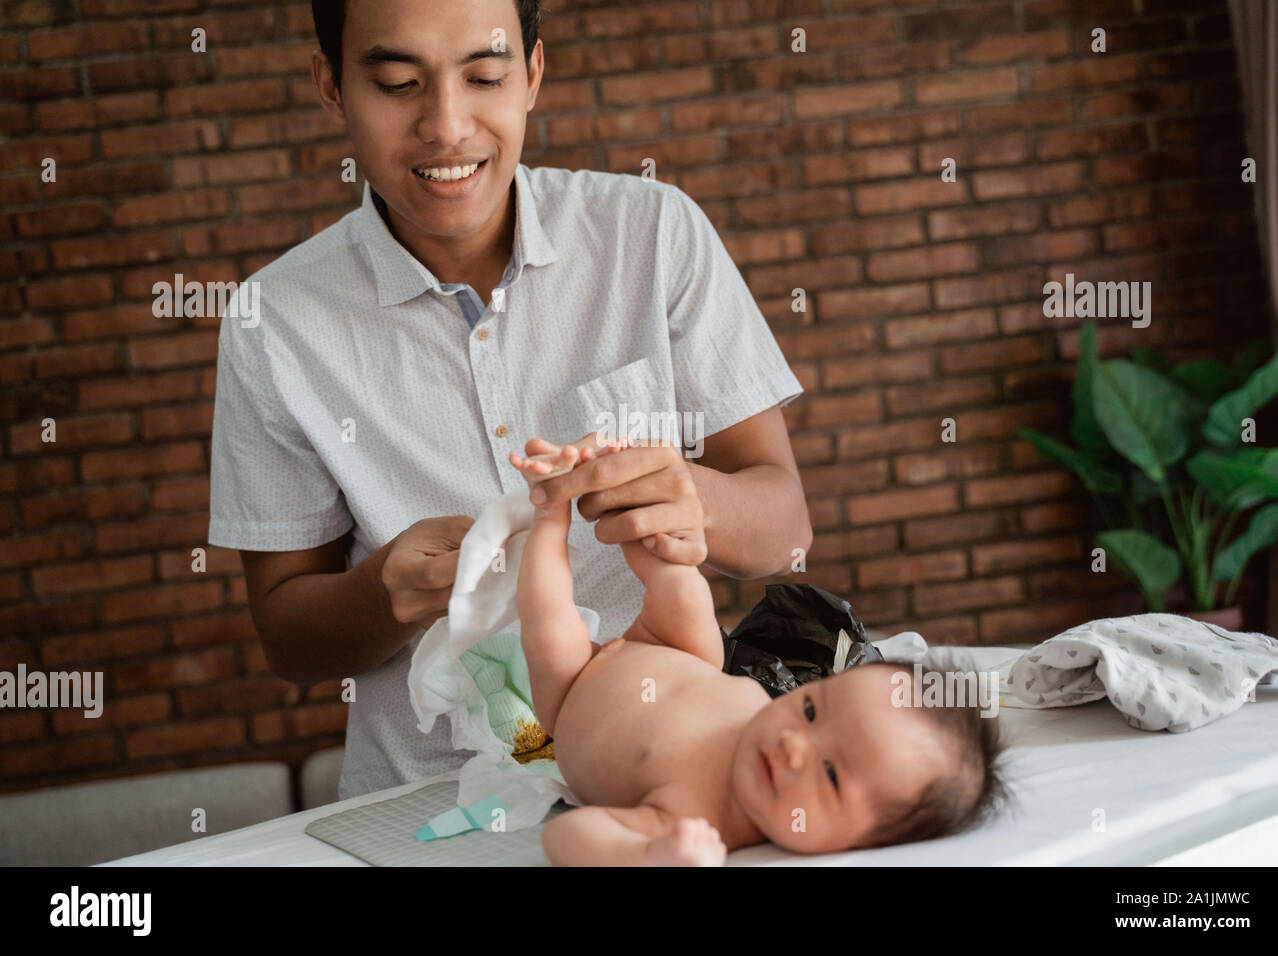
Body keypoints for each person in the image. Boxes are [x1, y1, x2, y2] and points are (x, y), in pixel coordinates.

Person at [207, 0, 812, 800]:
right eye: (396, 83)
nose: (446, 127)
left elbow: (785, 529)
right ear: (332, 85)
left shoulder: (652, 233)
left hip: (673, 775)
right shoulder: (272, 323)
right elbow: (288, 637)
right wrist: (384, 591)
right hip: (426, 805)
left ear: (530, 75)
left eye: (484, 76)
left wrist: (690, 500)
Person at [510, 436, 1005, 866]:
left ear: (860, 847)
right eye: (811, 710)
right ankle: (619, 496)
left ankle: (548, 513)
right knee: (685, 595)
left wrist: (648, 856)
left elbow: (565, 837)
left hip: (573, 690)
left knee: (551, 628)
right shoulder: (759, 716)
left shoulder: (699, 819)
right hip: (677, 653)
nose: (793, 744)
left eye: (831, 774)